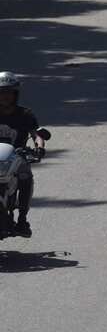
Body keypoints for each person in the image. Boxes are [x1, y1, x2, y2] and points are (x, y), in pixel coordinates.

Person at [0, 72, 44, 237]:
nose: (5, 96)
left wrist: (39, 148)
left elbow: (36, 134)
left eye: (9, 92)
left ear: (15, 94)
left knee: (26, 177)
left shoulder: (25, 114)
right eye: (1, 92)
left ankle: (22, 220)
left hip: (17, 157)